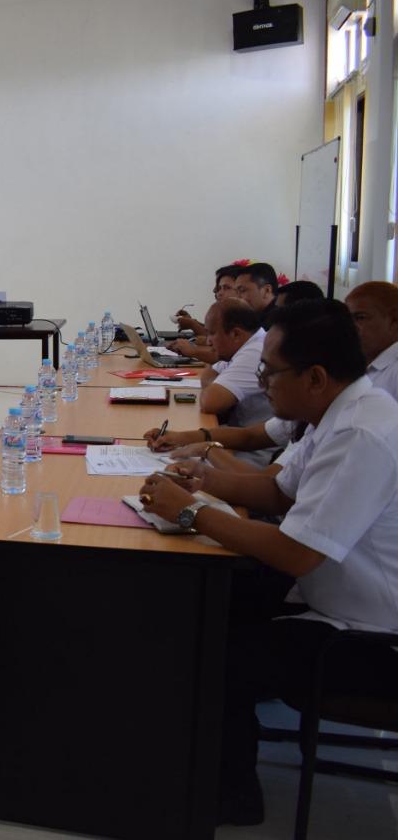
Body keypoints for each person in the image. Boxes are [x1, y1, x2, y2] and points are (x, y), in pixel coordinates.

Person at [137, 299, 398, 826]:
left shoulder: (360, 433)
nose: (263, 385)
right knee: (197, 604)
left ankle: (230, 797)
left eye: (270, 373)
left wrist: (190, 512)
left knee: (216, 652)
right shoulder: (338, 411)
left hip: (373, 637)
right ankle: (190, 751)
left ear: (315, 377)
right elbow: (279, 492)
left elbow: (297, 553)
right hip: (336, 592)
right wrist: (203, 481)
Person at [199, 300, 271, 432]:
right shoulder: (243, 346)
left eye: (212, 333)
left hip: (255, 441)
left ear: (235, 334)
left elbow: (210, 402)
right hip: (243, 432)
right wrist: (218, 385)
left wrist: (218, 387)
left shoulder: (255, 352)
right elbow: (208, 373)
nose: (208, 341)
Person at [345, 280, 398, 399]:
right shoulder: (360, 364)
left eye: (360, 318)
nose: (350, 326)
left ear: (394, 320)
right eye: (348, 319)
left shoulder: (395, 371)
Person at [233, 262, 279, 328]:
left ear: (267, 290)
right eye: (236, 292)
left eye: (242, 290)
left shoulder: (279, 322)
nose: (237, 297)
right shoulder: (256, 319)